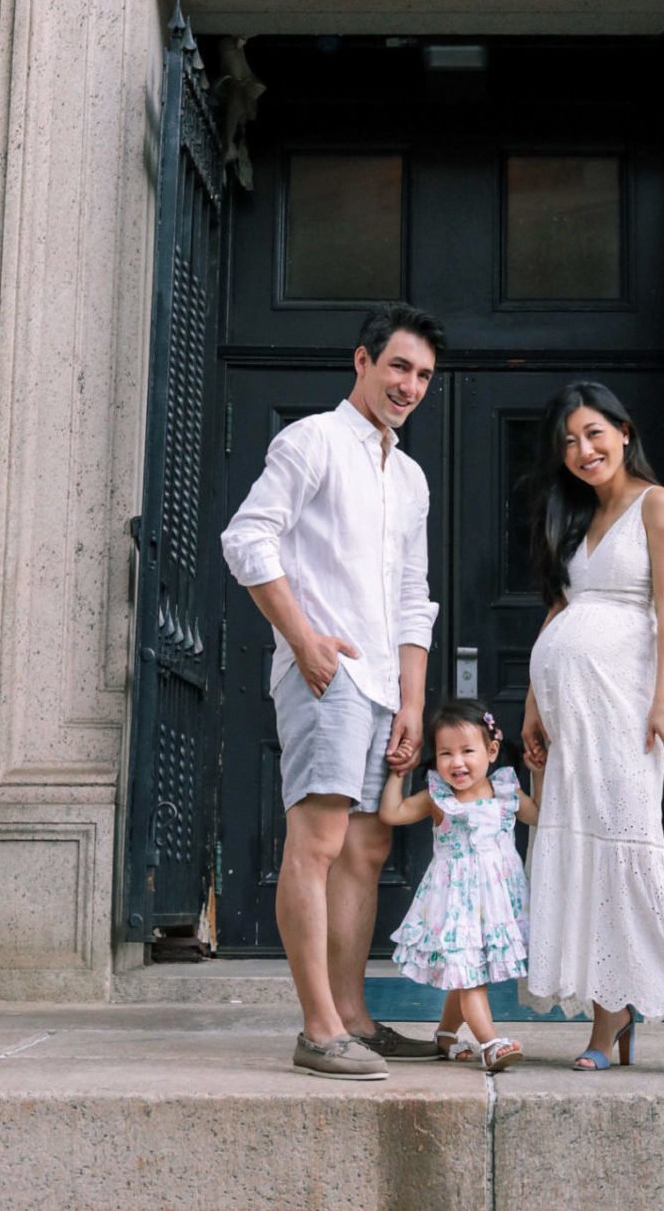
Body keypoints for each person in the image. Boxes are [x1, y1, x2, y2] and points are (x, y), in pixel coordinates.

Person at [221, 302, 445, 1080]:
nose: (409, 385)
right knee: (316, 844)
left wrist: (412, 702)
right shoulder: (311, 440)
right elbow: (247, 537)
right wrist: (303, 638)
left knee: (367, 847)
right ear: (363, 361)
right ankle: (318, 1030)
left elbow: (414, 595)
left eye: (423, 375)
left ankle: (353, 1019)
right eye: (399, 367)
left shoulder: (410, 478)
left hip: (385, 684)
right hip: (329, 675)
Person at [521, 381, 664, 1078]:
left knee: (634, 846)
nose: (583, 451)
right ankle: (610, 1015)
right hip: (567, 711)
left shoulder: (656, 504)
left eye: (593, 434)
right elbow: (559, 611)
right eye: (569, 442)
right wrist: (533, 704)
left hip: (624, 704)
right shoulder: (575, 514)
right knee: (586, 856)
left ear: (623, 430)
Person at [380, 698, 537, 1072]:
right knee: (469, 974)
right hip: (456, 902)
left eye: (468, 751)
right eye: (445, 753)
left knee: (468, 972)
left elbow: (540, 815)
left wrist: (539, 772)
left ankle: (446, 1035)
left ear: (491, 751)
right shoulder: (439, 799)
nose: (457, 762)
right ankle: (490, 1043)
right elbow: (391, 813)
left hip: (497, 902)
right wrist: (400, 773)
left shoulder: (505, 792)